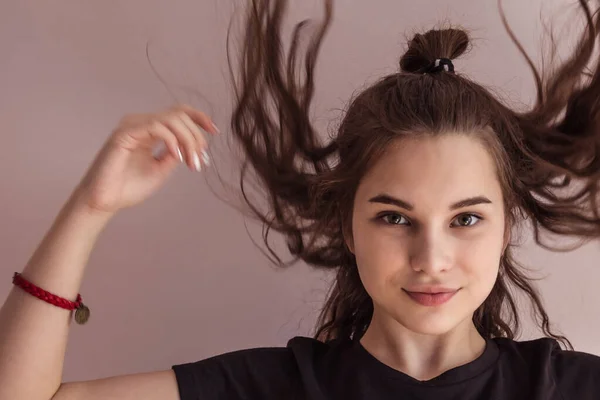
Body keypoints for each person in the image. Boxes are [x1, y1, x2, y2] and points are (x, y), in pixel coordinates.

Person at [2, 0, 600, 399]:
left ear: (506, 226)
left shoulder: (570, 387)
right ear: (346, 226)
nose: (431, 257)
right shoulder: (272, 386)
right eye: (394, 217)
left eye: (466, 218)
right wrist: (89, 207)